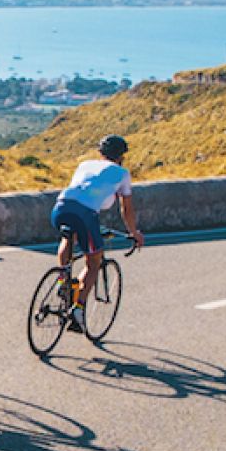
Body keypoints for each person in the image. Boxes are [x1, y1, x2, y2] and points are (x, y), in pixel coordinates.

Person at [53, 134, 144, 327]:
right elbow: (126, 208)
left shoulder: (84, 165)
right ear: (121, 156)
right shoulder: (122, 173)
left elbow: (84, 191)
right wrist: (134, 232)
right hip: (85, 214)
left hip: (61, 205)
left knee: (69, 238)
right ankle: (78, 309)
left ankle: (63, 281)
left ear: (100, 153)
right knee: (94, 261)